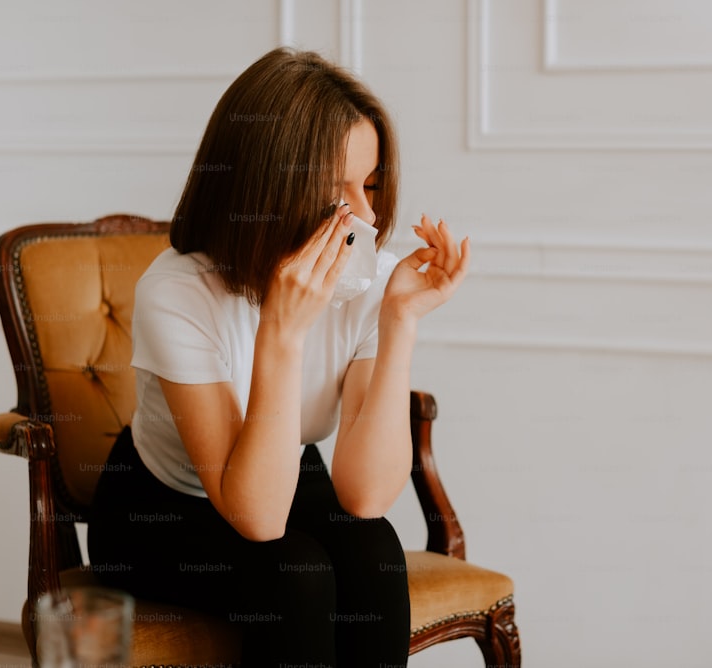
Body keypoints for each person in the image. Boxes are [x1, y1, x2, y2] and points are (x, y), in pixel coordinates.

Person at [87, 47, 470, 667]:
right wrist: (283, 334)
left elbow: (367, 496)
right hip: (157, 506)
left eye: (369, 186)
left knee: (374, 552)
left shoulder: (365, 279)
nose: (367, 216)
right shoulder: (179, 291)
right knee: (294, 575)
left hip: (281, 468)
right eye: (335, 189)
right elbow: (260, 520)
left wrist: (399, 320)